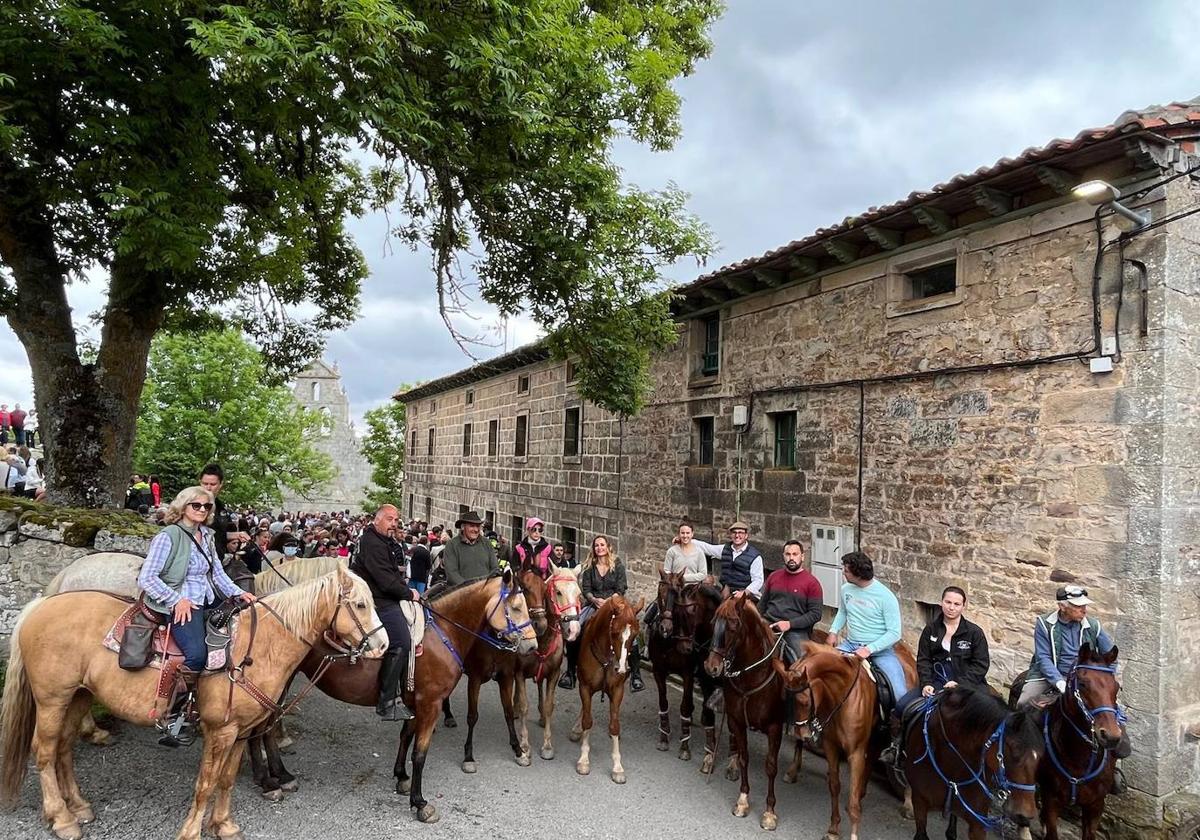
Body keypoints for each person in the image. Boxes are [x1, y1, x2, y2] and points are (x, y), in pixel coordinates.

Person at [137, 486, 255, 746]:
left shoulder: (207, 536)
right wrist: (176, 599)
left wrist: (239, 594)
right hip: (178, 603)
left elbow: (217, 574)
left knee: (229, 647)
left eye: (207, 506)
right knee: (197, 654)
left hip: (207, 601)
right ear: (183, 506)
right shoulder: (169, 536)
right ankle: (172, 715)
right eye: (196, 505)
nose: (202, 510)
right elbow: (147, 577)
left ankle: (211, 704)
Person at [881, 586, 989, 766]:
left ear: (963, 606)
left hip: (968, 683)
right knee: (901, 706)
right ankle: (897, 748)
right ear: (941, 603)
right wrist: (926, 683)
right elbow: (923, 660)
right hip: (937, 681)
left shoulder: (974, 632)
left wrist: (960, 683)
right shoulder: (930, 630)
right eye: (948, 602)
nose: (951, 607)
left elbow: (981, 664)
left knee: (987, 712)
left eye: (956, 604)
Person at [350, 504, 420, 720]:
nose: (394, 524)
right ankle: (386, 701)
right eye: (390, 519)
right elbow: (385, 580)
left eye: (396, 520)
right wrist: (409, 593)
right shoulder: (373, 542)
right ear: (377, 519)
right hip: (378, 599)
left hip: (384, 594)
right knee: (401, 641)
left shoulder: (383, 541)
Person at [825, 551, 907, 705]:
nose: (843, 572)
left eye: (846, 570)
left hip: (880, 651)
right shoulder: (846, 589)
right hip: (850, 645)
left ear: (859, 575)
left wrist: (869, 649)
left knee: (900, 695)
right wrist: (833, 632)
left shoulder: (886, 597)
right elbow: (843, 612)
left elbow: (895, 633)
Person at [562, 535, 643, 691]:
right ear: (594, 549)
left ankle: (636, 676)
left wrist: (609, 602)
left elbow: (621, 588)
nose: (599, 548)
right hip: (593, 605)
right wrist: (595, 600)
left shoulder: (617, 565)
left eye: (602, 545)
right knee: (575, 630)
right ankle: (570, 673)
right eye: (596, 545)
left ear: (608, 547)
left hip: (615, 606)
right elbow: (586, 590)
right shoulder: (589, 568)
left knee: (631, 633)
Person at [1017, 585, 1114, 707]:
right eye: (1078, 606)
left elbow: (1110, 655)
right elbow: (1043, 657)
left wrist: (1107, 678)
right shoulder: (1044, 623)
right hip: (1049, 675)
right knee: (1024, 702)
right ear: (1062, 607)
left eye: (1084, 606)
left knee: (1110, 712)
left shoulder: (1093, 626)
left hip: (1083, 677)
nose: (1084, 610)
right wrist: (1058, 681)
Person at [759, 540, 824, 663]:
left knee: (801, 665)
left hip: (794, 630)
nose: (791, 558)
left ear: (802, 556)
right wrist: (758, 621)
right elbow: (762, 605)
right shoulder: (773, 576)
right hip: (768, 624)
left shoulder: (812, 583)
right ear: (783, 556)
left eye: (795, 554)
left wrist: (789, 624)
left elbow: (816, 614)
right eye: (788, 554)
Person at [643, 520, 713, 628]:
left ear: (692, 534)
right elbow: (666, 571)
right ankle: (649, 631)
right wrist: (674, 580)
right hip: (674, 588)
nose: (685, 536)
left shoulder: (699, 552)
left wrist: (683, 578)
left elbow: (703, 574)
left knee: (710, 603)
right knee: (656, 608)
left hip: (692, 588)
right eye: (683, 533)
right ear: (679, 534)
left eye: (688, 533)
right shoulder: (672, 551)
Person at [199, 464, 249, 555]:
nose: (208, 488)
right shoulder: (192, 507)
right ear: (200, 482)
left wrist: (237, 535)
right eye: (205, 483)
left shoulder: (221, 508)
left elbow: (218, 535)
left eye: (213, 484)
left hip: (217, 559)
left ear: (220, 484)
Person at [441, 511, 499, 584]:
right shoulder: (452, 545)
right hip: (461, 592)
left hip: (486, 591)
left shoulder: (486, 543)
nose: (476, 530)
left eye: (478, 526)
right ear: (462, 527)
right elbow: (452, 574)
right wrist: (469, 589)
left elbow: (495, 568)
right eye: (472, 526)